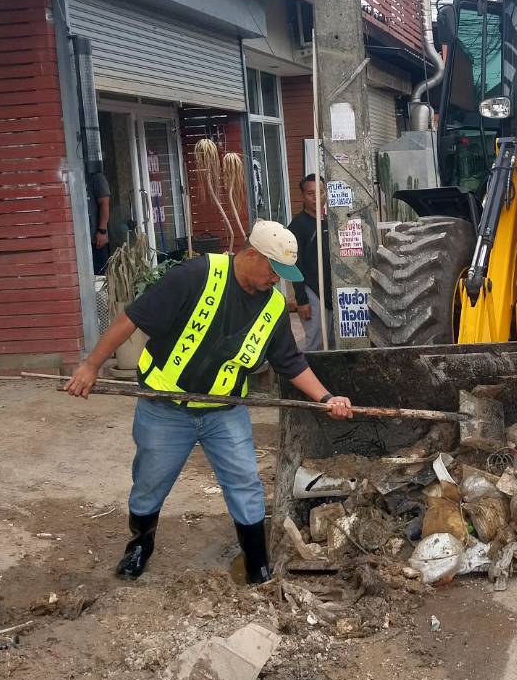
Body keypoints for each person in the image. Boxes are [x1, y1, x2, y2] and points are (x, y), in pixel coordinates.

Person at [65, 220, 354, 584]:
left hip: (225, 411)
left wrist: (326, 397)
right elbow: (132, 318)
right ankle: (139, 545)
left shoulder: (274, 306)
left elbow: (290, 361)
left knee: (245, 483)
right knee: (150, 481)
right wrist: (91, 365)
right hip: (165, 406)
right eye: (273, 270)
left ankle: (257, 565)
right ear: (252, 255)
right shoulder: (196, 275)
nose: (276, 280)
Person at [286, 174, 334, 352]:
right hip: (311, 291)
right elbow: (294, 265)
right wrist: (302, 300)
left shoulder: (329, 222)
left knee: (333, 342)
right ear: (302, 196)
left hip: (331, 293)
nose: (316, 198)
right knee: (315, 343)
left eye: (320, 192)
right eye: (310, 193)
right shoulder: (297, 226)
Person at [89, 170, 112, 274]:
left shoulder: (97, 178)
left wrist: (102, 230)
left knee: (100, 275)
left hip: (97, 239)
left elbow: (105, 203)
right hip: (82, 240)